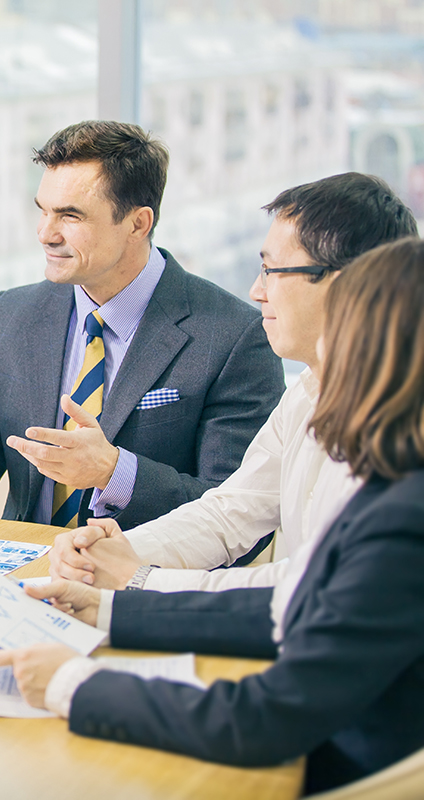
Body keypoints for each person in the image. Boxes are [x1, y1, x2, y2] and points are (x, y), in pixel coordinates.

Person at [0, 237, 424, 793]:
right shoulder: (392, 483)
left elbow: (261, 719)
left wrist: (72, 683)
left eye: (337, 342)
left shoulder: (403, 520)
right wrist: (106, 610)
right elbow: (288, 606)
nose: (319, 372)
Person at [0, 120, 283, 529]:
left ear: (138, 224)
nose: (45, 233)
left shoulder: (234, 336)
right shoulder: (12, 316)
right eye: (43, 210)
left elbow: (235, 518)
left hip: (144, 590)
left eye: (70, 216)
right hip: (25, 579)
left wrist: (113, 473)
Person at [48, 173, 418, 592]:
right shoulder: (309, 390)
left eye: (272, 270)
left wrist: (140, 580)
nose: (256, 290)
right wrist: (119, 549)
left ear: (346, 284)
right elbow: (232, 511)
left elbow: (307, 585)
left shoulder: (405, 421)